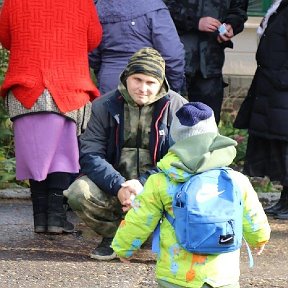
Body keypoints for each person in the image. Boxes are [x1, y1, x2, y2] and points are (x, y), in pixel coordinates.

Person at [111, 102, 271, 288]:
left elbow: (139, 218)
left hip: (175, 274)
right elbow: (253, 215)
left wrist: (124, 248)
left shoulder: (161, 181)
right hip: (221, 276)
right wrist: (259, 238)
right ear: (214, 138)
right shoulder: (235, 180)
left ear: (175, 140)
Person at [64, 47, 188, 260]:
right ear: (126, 77)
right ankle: (116, 236)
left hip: (158, 190)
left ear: (161, 83)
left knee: (191, 192)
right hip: (116, 189)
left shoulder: (178, 107)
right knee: (78, 191)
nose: (143, 88)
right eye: (137, 79)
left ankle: (153, 236)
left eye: (150, 82)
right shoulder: (103, 105)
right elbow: (90, 154)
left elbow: (181, 158)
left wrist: (142, 184)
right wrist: (119, 186)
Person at [0, 0, 102, 234]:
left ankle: (40, 218)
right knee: (63, 152)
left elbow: (5, 38)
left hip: (26, 86)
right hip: (68, 85)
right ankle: (56, 217)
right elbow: (94, 39)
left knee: (34, 154)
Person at [234, 0, 288, 220]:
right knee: (280, 148)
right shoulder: (280, 6)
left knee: (285, 148)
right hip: (271, 88)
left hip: (280, 88)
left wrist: (281, 79)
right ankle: (284, 200)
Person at [163, 0, 248, 124]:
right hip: (174, 62)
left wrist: (232, 24)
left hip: (211, 63)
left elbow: (239, 9)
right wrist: (195, 21)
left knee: (207, 125)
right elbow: (158, 8)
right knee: (167, 122)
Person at [89, 0, 185, 95]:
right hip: (147, 85)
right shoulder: (153, 7)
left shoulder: (97, 8)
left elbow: (93, 54)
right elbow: (172, 55)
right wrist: (174, 86)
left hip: (110, 83)